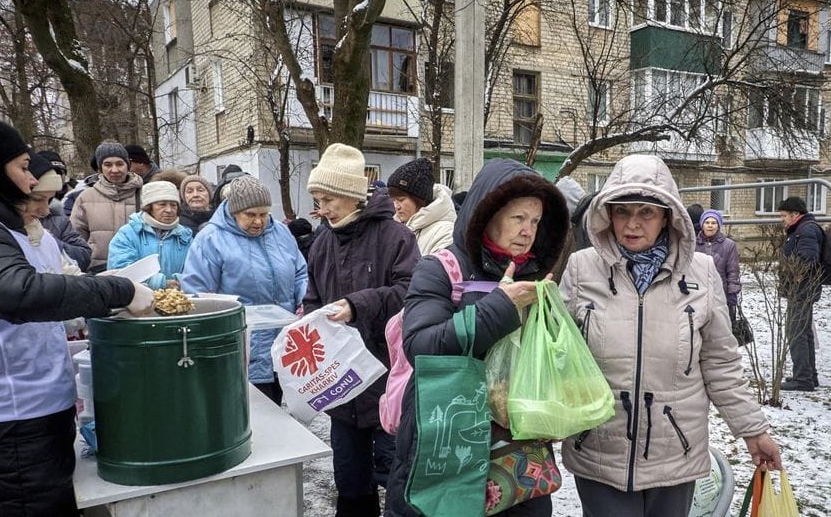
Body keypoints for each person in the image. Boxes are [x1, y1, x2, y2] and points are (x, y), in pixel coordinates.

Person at [557, 154, 781, 516]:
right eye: (622, 211)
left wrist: (753, 430)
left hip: (675, 450)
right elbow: (559, 354)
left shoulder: (702, 272)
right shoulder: (582, 268)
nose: (632, 224)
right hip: (599, 450)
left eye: (646, 212)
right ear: (607, 214)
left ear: (667, 216)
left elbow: (720, 361)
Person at [0, 112, 154, 516]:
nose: (31, 181)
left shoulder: (1, 228)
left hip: (27, 416)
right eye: (23, 167)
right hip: (6, 426)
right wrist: (119, 290)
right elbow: (16, 291)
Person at [385, 158, 570, 517]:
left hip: (518, 457)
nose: (528, 231)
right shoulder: (441, 269)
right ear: (487, 215)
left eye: (535, 221)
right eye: (518, 218)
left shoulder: (534, 276)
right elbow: (421, 346)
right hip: (444, 444)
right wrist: (501, 307)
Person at [302, 143, 420, 517]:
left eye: (329, 199)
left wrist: (357, 305)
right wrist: (309, 325)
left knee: (397, 480)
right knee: (350, 483)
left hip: (388, 383)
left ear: (353, 195)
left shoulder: (396, 237)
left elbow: (411, 294)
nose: (322, 208)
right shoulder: (322, 241)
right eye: (318, 200)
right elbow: (313, 297)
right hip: (342, 388)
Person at [182, 176, 307, 404]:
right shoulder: (210, 239)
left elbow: (300, 272)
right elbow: (196, 293)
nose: (259, 221)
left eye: (264, 214)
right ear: (234, 211)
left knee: (278, 412)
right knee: (247, 412)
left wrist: (303, 301)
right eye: (250, 214)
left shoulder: (280, 232)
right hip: (241, 348)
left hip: (284, 344)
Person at [70, 141, 143, 273]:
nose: (114, 170)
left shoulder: (144, 194)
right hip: (97, 270)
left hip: (137, 268)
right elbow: (76, 237)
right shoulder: (86, 197)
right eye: (108, 165)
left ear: (128, 165)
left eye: (119, 164)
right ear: (100, 168)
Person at [108, 181, 193, 290]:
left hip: (178, 298)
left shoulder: (185, 236)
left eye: (173, 205)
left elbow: (196, 271)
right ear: (149, 207)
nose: (169, 210)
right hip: (138, 297)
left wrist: (179, 282)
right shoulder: (128, 234)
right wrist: (160, 283)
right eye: (162, 204)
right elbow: (121, 270)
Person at [777, 196, 825, 391]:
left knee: (796, 332)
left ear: (795, 214)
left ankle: (803, 378)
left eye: (784, 215)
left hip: (802, 290)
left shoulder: (805, 231)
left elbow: (807, 258)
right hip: (802, 289)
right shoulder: (802, 229)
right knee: (804, 332)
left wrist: (795, 275)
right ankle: (808, 375)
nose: (782, 219)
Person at [30, 153, 92, 271]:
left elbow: (84, 256)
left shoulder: (59, 220)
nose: (45, 210)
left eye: (50, 200)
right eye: (37, 199)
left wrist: (50, 242)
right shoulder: (0, 228)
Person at [387, 157, 456, 255]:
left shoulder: (446, 233)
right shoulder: (395, 227)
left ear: (419, 199)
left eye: (401, 200)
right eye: (393, 200)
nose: (396, 206)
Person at [695, 209, 741, 324]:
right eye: (707, 222)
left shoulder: (729, 245)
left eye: (714, 223)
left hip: (720, 294)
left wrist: (732, 294)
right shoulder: (693, 244)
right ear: (702, 225)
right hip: (698, 294)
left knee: (720, 326)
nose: (710, 226)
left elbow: (733, 271)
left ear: (719, 225)